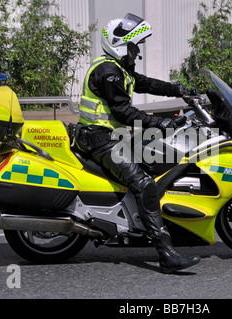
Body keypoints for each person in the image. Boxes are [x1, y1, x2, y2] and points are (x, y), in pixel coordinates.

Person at [75, 13, 200, 273]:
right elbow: (123, 113)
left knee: (162, 156)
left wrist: (178, 90)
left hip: (111, 136)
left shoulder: (118, 69)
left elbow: (144, 83)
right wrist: (161, 122)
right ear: (121, 46)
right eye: (134, 47)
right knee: (144, 185)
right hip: (100, 141)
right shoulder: (108, 71)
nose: (137, 52)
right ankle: (165, 253)